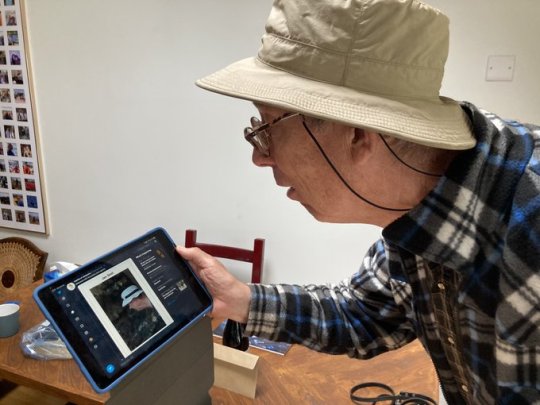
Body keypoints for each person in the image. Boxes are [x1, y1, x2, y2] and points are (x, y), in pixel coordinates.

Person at [177, 1, 540, 404]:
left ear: (357, 134)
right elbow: (366, 313)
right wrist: (239, 300)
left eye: (266, 127)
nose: (259, 156)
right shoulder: (420, 211)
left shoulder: (531, 219)